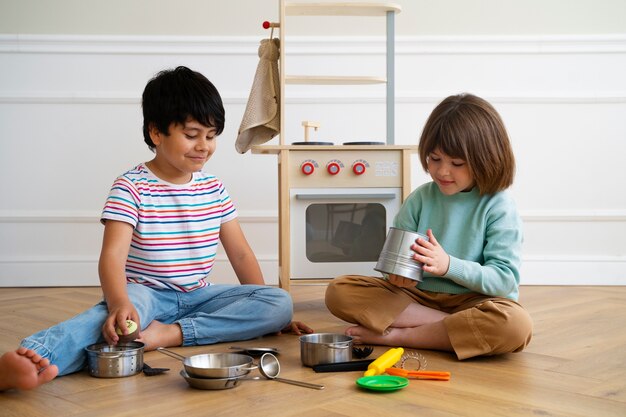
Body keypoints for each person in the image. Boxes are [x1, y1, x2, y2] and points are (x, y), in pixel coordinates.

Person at [0, 66, 311, 391]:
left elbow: (241, 253)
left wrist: (266, 309)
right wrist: (119, 303)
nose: (203, 146)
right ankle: (34, 358)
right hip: (145, 295)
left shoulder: (214, 188)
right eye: (191, 135)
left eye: (211, 135)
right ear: (156, 133)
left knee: (278, 302)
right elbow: (113, 256)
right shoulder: (130, 187)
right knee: (108, 323)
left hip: (199, 295)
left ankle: (170, 334)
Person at [325, 93, 533, 360]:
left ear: (486, 159)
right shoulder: (420, 198)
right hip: (417, 299)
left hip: (474, 301)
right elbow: (394, 273)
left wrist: (448, 265)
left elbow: (504, 281)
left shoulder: (499, 206)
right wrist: (400, 277)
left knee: (515, 325)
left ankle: (402, 336)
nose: (442, 172)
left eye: (457, 163)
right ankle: (449, 327)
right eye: (435, 159)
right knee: (339, 291)